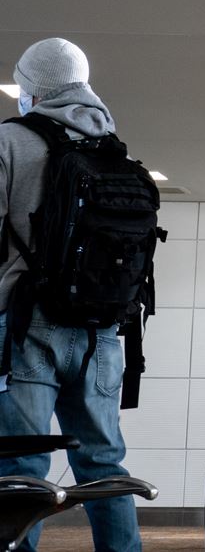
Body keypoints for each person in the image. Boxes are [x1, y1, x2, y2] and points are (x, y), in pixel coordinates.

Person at [0, 39, 143, 551]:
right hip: (102, 332)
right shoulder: (109, 144)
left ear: (34, 87)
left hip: (26, 325)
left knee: (22, 462)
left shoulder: (10, 141)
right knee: (104, 465)